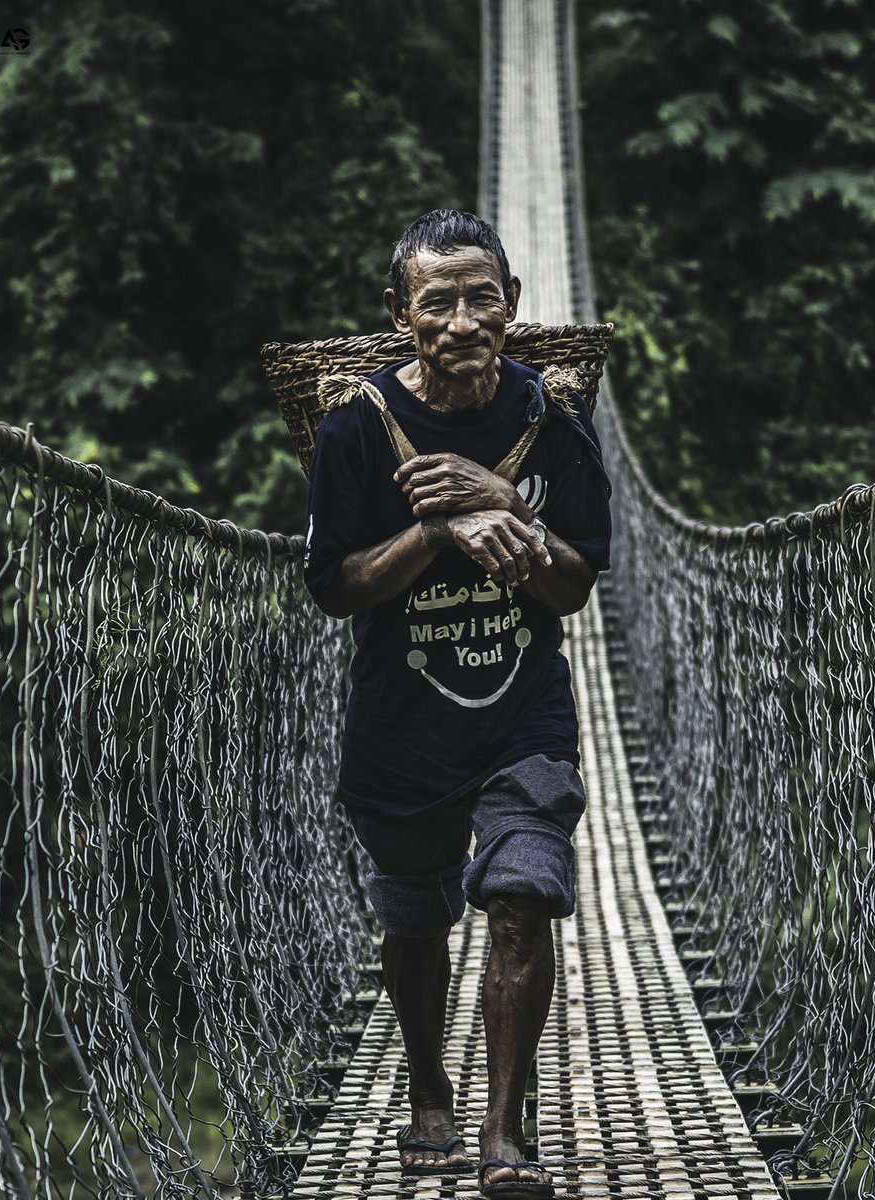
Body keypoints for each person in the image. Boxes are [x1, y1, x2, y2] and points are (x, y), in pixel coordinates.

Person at [304, 209, 611, 1200]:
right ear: (402, 316)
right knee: (415, 922)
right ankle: (430, 1088)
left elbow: (570, 587)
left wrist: (505, 502)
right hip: (400, 727)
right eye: (439, 302)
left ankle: (502, 1131)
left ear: (513, 306)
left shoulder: (550, 425)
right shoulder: (354, 433)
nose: (465, 320)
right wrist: (438, 529)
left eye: (484, 297)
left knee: (523, 896)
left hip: (526, 718)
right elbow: (335, 585)